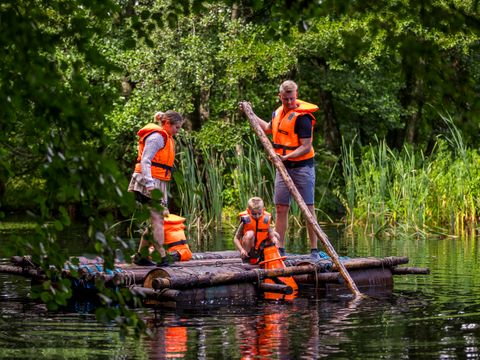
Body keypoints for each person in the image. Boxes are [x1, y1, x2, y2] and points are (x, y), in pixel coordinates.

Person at [239, 80, 321, 261]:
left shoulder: (303, 118)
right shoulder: (277, 113)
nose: (289, 103)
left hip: (302, 167)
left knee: (308, 208)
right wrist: (251, 114)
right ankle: (281, 247)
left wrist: (287, 157)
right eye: (286, 99)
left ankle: (314, 249)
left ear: (296, 95)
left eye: (292, 99)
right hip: (282, 167)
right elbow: (268, 129)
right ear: (280, 97)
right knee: (281, 207)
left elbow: (306, 147)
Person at [128, 110, 184, 266]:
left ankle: (141, 256)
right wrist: (150, 185)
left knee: (156, 219)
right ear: (167, 124)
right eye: (176, 127)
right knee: (158, 219)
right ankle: (162, 257)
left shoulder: (167, 137)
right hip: (148, 181)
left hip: (159, 181)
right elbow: (145, 161)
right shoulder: (157, 137)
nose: (177, 131)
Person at [233, 196, 280, 264]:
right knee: (250, 234)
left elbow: (272, 236)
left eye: (259, 213)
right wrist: (241, 250)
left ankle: (265, 256)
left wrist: (274, 240)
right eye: (254, 214)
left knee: (276, 235)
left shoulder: (265, 220)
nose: (257, 216)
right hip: (249, 250)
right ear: (249, 211)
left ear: (263, 210)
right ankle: (246, 258)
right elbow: (236, 238)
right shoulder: (245, 221)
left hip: (260, 248)